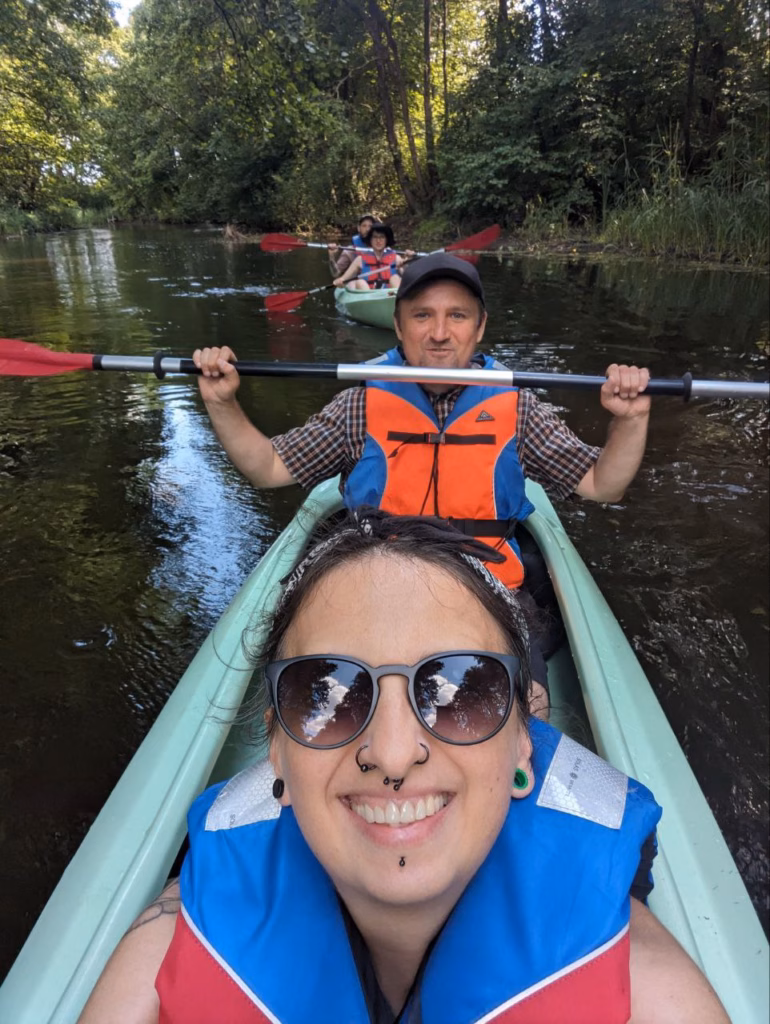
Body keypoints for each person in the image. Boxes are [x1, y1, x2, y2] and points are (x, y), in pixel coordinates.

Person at [76, 512, 729, 1023]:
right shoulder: (163, 958)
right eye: (326, 694)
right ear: (277, 748)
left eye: (463, 689)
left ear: (523, 741)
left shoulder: (651, 994)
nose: (391, 755)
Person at [191, 253, 651, 714]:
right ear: (398, 325)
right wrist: (222, 403)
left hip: (487, 587)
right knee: (336, 708)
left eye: (457, 316)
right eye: (422, 315)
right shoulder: (359, 406)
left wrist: (630, 421)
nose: (439, 333)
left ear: (480, 327)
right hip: (376, 581)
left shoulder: (519, 409)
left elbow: (602, 484)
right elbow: (268, 468)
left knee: (529, 708)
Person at [333, 222, 411, 291]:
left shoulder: (396, 258)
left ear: (386, 240)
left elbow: (409, 277)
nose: (378, 240)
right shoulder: (360, 260)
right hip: (368, 297)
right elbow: (343, 279)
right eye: (375, 237)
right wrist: (339, 281)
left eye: (382, 237)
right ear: (370, 240)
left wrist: (409, 261)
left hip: (390, 296)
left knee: (395, 278)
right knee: (360, 282)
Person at [328, 212, 376, 277]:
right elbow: (335, 273)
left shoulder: (381, 247)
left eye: (370, 226)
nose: (367, 229)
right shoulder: (349, 251)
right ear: (359, 228)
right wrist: (331, 256)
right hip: (358, 281)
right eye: (364, 226)